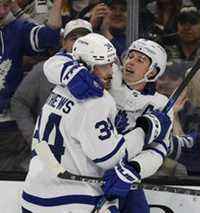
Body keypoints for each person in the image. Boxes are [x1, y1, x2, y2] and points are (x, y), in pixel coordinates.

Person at [21, 33, 172, 213]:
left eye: (140, 60)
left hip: (123, 175)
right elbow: (58, 62)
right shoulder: (105, 78)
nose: (130, 62)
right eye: (130, 56)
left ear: (153, 71)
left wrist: (135, 168)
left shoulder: (161, 105)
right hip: (91, 168)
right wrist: (70, 72)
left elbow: (158, 149)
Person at [0, 0, 62, 172]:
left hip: (7, 129)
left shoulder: (16, 29)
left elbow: (49, 36)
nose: (1, 11)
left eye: (5, 6)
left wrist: (57, 4)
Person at [10, 18, 93, 146]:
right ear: (63, 42)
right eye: (73, 39)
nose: (79, 44)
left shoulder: (103, 71)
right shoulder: (43, 70)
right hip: (52, 148)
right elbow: (19, 102)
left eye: (85, 39)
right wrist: (34, 137)